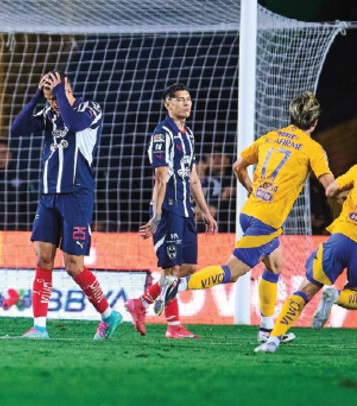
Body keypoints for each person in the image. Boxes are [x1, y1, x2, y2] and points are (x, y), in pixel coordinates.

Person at [164, 92, 334, 344]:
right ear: (315, 122)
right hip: (266, 221)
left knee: (275, 266)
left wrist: (250, 188)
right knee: (232, 272)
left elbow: (237, 166)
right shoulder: (313, 149)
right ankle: (177, 286)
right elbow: (330, 188)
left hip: (250, 212)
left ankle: (266, 328)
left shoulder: (271, 137)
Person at [10, 70, 123, 340]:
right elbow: (17, 129)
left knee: (73, 266)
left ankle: (109, 315)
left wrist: (59, 92)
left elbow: (73, 123)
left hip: (77, 196)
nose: (54, 102)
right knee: (43, 258)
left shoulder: (90, 109)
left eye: (56, 94)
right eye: (50, 97)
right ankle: (39, 327)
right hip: (48, 196)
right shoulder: (48, 113)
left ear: (67, 89)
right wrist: (38, 96)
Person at [124, 84, 218, 339]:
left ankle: (141, 303)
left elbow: (193, 178)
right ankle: (173, 327)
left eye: (189, 99)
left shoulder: (189, 135)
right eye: (180, 99)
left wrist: (205, 211)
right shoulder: (162, 134)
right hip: (168, 209)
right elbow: (160, 177)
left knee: (188, 267)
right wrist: (156, 215)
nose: (186, 103)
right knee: (171, 269)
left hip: (186, 209)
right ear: (168, 104)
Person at [255, 163, 357, 353]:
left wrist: (345, 196)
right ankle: (336, 296)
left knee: (304, 291)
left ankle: (273, 340)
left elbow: (331, 190)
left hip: (341, 236)